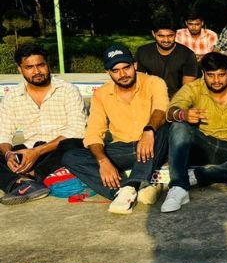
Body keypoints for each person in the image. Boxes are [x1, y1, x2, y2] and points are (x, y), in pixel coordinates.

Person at [62, 44, 170, 214]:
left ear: (134, 66)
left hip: (153, 142)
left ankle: (132, 184)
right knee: (71, 156)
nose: (123, 74)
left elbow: (161, 110)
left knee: (166, 130)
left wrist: (149, 131)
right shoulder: (101, 94)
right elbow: (93, 133)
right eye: (116, 70)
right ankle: (122, 190)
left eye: (126, 67)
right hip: (124, 149)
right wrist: (103, 161)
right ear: (108, 73)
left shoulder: (154, 82)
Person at [160, 52, 227, 213]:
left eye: (221, 75)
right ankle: (179, 186)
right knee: (179, 126)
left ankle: (199, 176)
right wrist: (183, 114)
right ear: (203, 73)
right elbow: (171, 111)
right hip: (202, 145)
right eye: (211, 75)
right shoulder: (193, 88)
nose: (216, 80)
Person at [0, 44, 87, 205]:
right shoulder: (12, 97)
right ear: (20, 69)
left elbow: (77, 130)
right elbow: (3, 133)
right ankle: (20, 184)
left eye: (40, 65)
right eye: (29, 67)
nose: (37, 71)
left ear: (48, 65)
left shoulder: (67, 90)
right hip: (31, 151)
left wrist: (36, 152)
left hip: (58, 149)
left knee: (74, 144)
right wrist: (8, 155)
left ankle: (33, 175)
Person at [135, 24, 199, 98]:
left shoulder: (188, 55)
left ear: (176, 34)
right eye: (161, 36)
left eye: (170, 36)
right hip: (151, 95)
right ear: (153, 34)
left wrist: (170, 103)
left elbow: (187, 88)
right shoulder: (143, 52)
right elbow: (139, 81)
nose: (166, 40)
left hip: (178, 97)